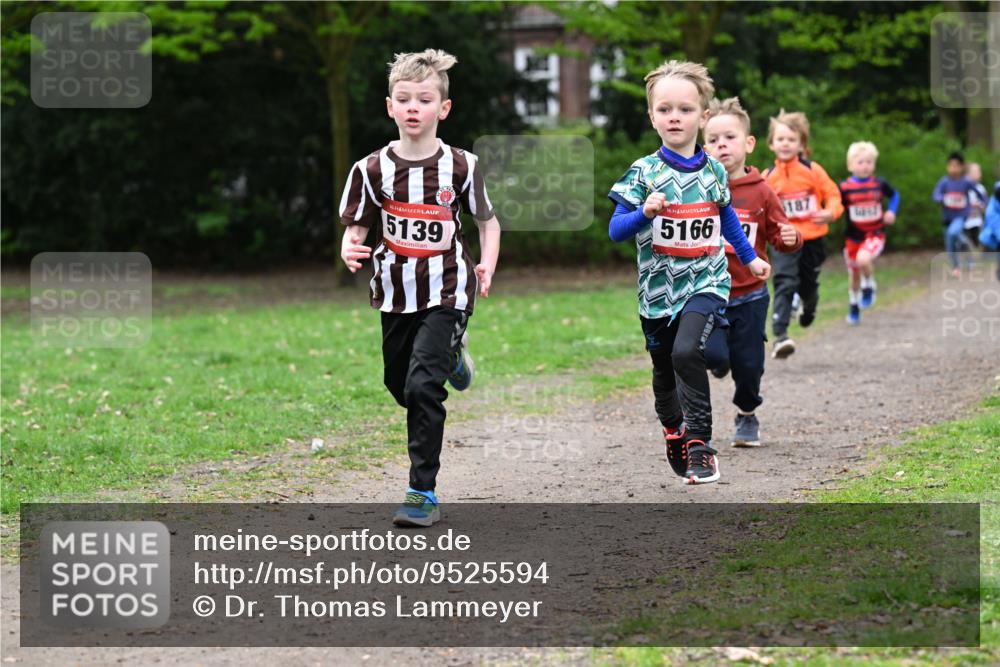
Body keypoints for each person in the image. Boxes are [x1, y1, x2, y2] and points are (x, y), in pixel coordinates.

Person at [339, 49, 501, 526]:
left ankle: (421, 492)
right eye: (404, 99)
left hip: (448, 289)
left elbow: (488, 222)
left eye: (424, 100)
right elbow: (357, 226)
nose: (414, 107)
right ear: (390, 106)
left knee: (422, 386)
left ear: (442, 109)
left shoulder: (462, 166)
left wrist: (486, 264)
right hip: (395, 291)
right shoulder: (370, 169)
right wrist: (350, 246)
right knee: (400, 384)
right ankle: (452, 359)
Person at [608, 61, 770, 484]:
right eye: (665, 110)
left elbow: (726, 216)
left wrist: (748, 257)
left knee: (686, 353)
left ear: (703, 116)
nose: (674, 117)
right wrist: (644, 213)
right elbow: (615, 230)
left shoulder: (714, 170)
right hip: (657, 294)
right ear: (652, 117)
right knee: (665, 373)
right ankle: (674, 431)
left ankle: (701, 446)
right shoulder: (643, 172)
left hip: (706, 280)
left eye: (685, 109)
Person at [702, 97, 802, 448]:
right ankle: (719, 360)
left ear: (748, 143)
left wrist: (792, 238)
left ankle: (747, 414)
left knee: (748, 364)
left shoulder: (762, 191)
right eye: (713, 140)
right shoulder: (698, 186)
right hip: (707, 292)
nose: (722, 145)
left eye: (729, 137)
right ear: (704, 147)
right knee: (713, 355)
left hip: (750, 294)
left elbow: (780, 236)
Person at [764, 109, 843, 359]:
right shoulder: (767, 177)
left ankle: (809, 305)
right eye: (780, 139)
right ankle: (780, 335)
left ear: (801, 145)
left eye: (792, 139)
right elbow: (759, 207)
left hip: (812, 238)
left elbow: (833, 194)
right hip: (784, 238)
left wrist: (830, 212)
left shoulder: (812, 170)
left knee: (808, 284)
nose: (785, 144)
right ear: (771, 144)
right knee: (784, 281)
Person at [838, 141, 900, 325]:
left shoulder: (879, 184)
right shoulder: (845, 188)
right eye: (860, 162)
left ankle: (869, 285)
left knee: (863, 259)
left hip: (874, 234)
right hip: (853, 237)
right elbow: (835, 205)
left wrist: (891, 211)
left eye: (869, 162)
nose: (865, 166)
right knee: (854, 274)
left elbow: (895, 195)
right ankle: (854, 305)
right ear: (850, 165)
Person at [932, 152, 979, 278]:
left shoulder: (966, 182)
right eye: (951, 165)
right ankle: (956, 267)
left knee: (953, 233)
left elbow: (978, 192)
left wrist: (983, 203)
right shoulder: (944, 182)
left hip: (960, 216)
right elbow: (936, 194)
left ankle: (965, 245)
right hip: (947, 218)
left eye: (956, 166)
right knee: (950, 245)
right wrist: (942, 199)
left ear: (961, 167)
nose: (953, 169)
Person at [965, 162, 988, 248]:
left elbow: (985, 207)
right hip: (964, 222)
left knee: (976, 244)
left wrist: (980, 207)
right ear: (968, 174)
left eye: (979, 171)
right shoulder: (963, 187)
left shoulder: (981, 188)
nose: (979, 174)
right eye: (976, 171)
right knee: (965, 245)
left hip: (977, 222)